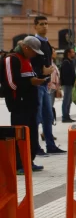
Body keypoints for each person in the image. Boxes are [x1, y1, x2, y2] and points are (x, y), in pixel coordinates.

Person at [2, 36, 47, 173]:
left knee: (31, 133)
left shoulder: (27, 60)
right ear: (25, 48)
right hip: (19, 104)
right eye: (33, 51)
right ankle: (18, 164)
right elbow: (10, 83)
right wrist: (30, 83)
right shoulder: (11, 59)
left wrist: (36, 81)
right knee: (19, 133)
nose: (34, 54)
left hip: (30, 103)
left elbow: (28, 77)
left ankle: (29, 160)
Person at [31, 16, 65, 155]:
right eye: (41, 24)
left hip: (45, 84)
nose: (44, 26)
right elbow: (30, 63)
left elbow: (48, 63)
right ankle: (36, 147)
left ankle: (50, 145)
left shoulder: (46, 43)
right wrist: (41, 71)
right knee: (37, 117)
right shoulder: (34, 42)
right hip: (37, 84)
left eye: (46, 24)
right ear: (35, 26)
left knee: (48, 116)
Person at [60, 48, 76, 123]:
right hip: (67, 84)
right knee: (66, 100)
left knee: (69, 101)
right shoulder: (66, 62)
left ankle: (67, 116)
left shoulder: (70, 61)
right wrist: (69, 82)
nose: (74, 53)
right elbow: (65, 74)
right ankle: (64, 117)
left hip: (70, 84)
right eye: (73, 52)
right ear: (68, 53)